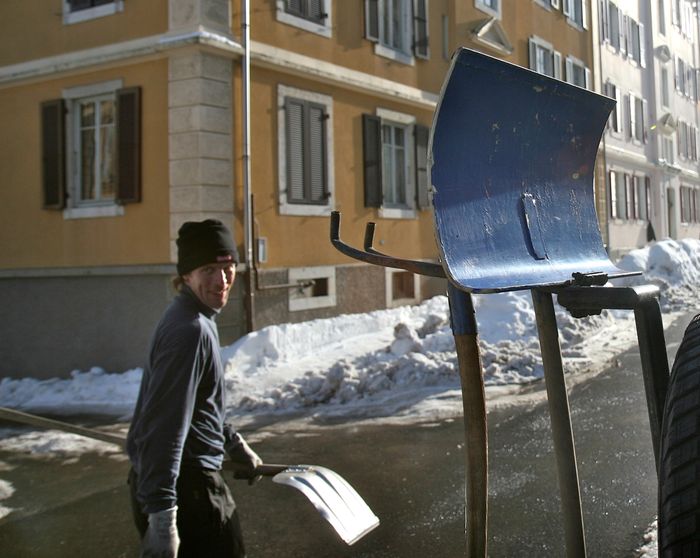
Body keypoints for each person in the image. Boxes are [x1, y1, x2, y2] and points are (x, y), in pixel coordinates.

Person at [127, 219, 262, 558]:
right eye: (208, 269)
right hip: (189, 492)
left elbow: (199, 404)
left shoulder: (194, 317)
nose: (222, 280)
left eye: (228, 267)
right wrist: (162, 518)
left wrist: (230, 440)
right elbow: (163, 426)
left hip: (186, 484)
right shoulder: (189, 330)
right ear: (186, 275)